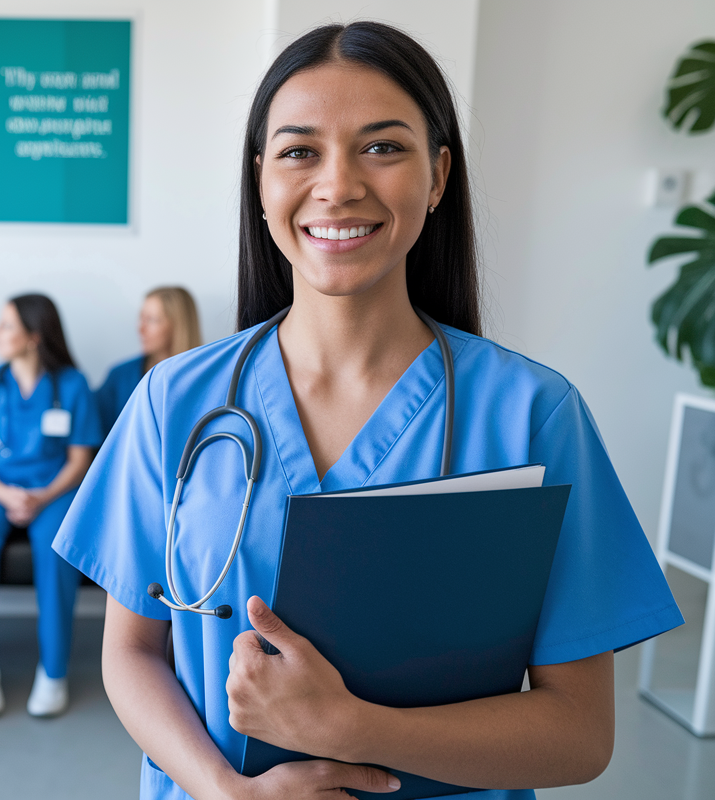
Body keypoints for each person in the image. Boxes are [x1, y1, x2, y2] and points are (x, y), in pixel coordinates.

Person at [53, 21, 683, 800]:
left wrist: (349, 727)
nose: (339, 184)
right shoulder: (173, 402)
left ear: (439, 175)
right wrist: (227, 790)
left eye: (382, 147)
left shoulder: (532, 416)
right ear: (260, 179)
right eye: (299, 151)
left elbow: (579, 736)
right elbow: (133, 655)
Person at [0, 294, 102, 718]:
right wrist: (6, 495)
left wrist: (41, 496)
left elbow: (80, 459)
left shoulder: (72, 385)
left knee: (57, 549)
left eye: (7, 326)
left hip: (54, 489)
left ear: (35, 336)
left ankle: (53, 672)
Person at [97, 287, 202, 435]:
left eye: (151, 320)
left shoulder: (207, 377)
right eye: (141, 318)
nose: (140, 329)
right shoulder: (120, 377)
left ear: (178, 326)